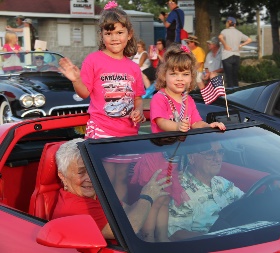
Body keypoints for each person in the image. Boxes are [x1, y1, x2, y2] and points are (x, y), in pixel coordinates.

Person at [167, 141, 280, 241]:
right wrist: (215, 240)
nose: (218, 159)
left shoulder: (221, 182)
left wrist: (276, 190)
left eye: (220, 152)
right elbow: (175, 234)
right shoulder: (179, 189)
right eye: (210, 153)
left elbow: (248, 204)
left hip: (242, 240)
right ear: (191, 157)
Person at [52, 138, 171, 240]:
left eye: (92, 169)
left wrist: (154, 196)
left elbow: (126, 210)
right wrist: (147, 197)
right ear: (62, 176)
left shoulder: (95, 192)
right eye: (81, 172)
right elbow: (130, 228)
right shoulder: (74, 207)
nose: (90, 178)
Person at [58, 1, 145, 139]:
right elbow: (84, 93)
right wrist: (76, 80)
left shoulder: (134, 67)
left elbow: (138, 98)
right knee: (104, 162)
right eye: (109, 33)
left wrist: (139, 110)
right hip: (101, 129)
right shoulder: (93, 60)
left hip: (129, 132)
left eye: (120, 32)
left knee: (128, 162)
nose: (115, 38)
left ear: (129, 35)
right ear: (101, 35)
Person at [150, 44, 226, 133]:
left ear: (191, 77)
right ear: (163, 75)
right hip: (165, 146)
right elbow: (161, 122)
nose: (180, 79)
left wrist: (208, 126)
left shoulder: (188, 100)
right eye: (174, 74)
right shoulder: (159, 98)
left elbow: (196, 123)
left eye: (185, 74)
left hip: (184, 145)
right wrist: (178, 126)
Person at [219, 17, 252, 88]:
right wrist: (241, 45)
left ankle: (230, 93)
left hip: (227, 56)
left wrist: (225, 45)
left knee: (229, 77)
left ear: (228, 23)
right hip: (236, 55)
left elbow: (220, 37)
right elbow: (249, 39)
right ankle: (236, 92)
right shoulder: (239, 33)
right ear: (234, 24)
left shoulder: (224, 31)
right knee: (235, 76)